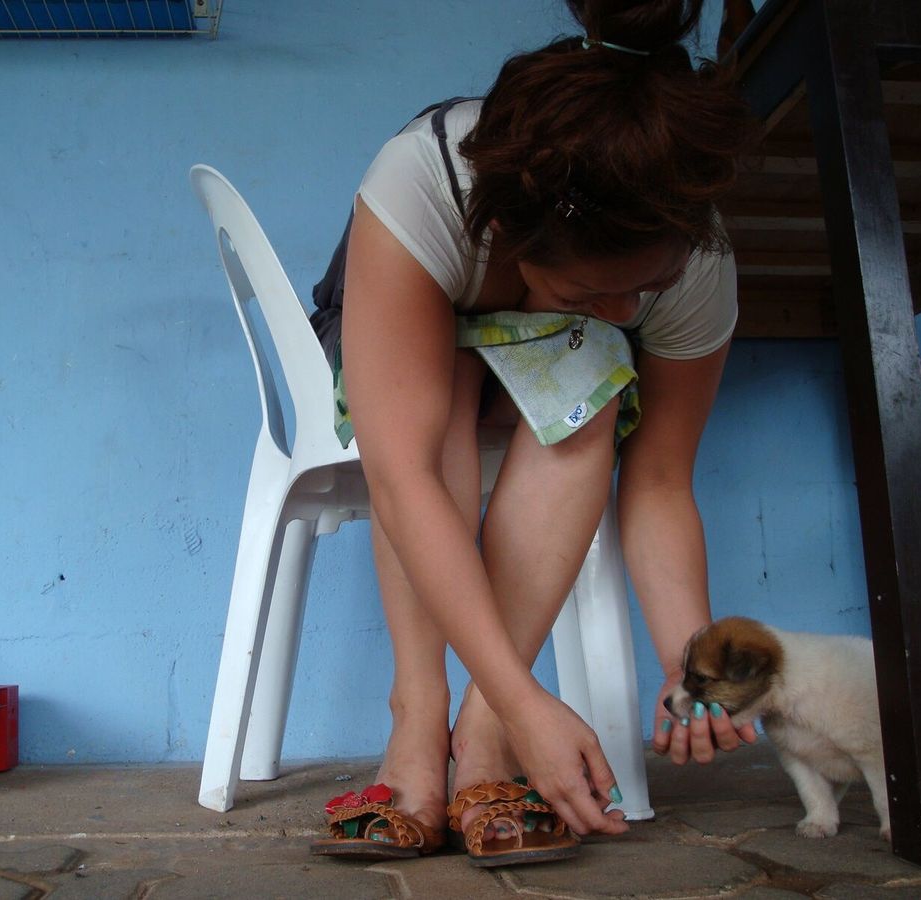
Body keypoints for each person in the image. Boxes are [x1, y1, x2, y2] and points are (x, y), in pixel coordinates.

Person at [308, 0, 758, 867]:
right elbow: (400, 475)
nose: (631, 311)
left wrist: (690, 667)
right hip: (401, 344)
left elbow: (660, 480)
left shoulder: (696, 256)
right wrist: (533, 697)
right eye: (595, 291)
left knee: (592, 376)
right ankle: (417, 714)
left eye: (646, 288)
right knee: (441, 390)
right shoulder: (428, 181)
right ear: (510, 240)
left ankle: (484, 730)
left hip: (540, 367)